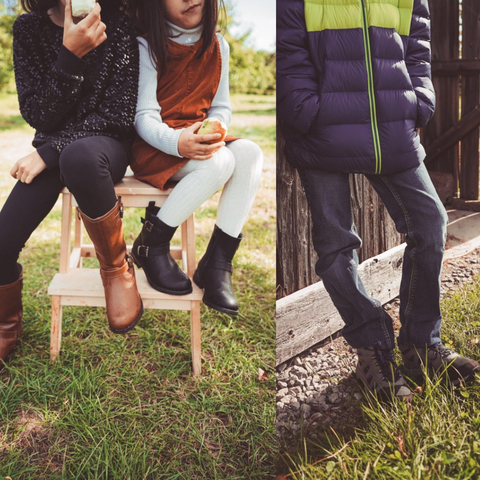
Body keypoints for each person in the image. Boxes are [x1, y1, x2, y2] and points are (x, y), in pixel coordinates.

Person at [277, 0, 480, 402]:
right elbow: (288, 46)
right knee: (337, 246)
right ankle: (373, 347)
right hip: (319, 129)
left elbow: (417, 46)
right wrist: (306, 110)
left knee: (430, 223)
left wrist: (418, 101)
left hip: (391, 125)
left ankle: (422, 346)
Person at [0, 0, 143, 368]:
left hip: (101, 149)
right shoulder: (29, 30)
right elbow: (37, 113)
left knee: (78, 158)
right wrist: (70, 54)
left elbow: (118, 116)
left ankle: (116, 267)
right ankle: (6, 326)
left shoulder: (118, 25)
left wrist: (51, 151)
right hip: (52, 148)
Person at [127, 0, 263, 316]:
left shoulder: (218, 45)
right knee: (222, 162)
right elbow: (143, 115)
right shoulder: (147, 45)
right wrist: (177, 142)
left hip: (199, 139)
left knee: (249, 153)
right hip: (157, 147)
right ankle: (151, 245)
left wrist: (217, 128)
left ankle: (217, 263)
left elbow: (221, 106)